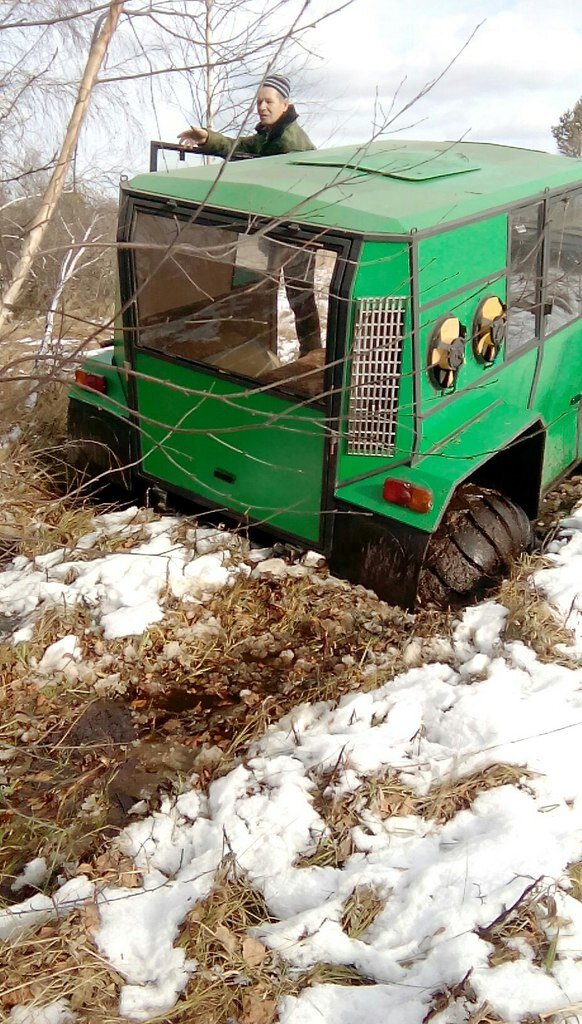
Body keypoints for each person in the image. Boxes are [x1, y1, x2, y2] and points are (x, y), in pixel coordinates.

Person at [178, 74, 321, 357]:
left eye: (269, 101)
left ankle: (311, 356)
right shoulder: (270, 135)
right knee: (267, 291)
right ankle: (264, 352)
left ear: (284, 104)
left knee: (298, 296)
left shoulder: (289, 141)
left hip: (295, 232)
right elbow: (240, 148)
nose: (262, 107)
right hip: (273, 229)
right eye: (259, 102)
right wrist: (208, 138)